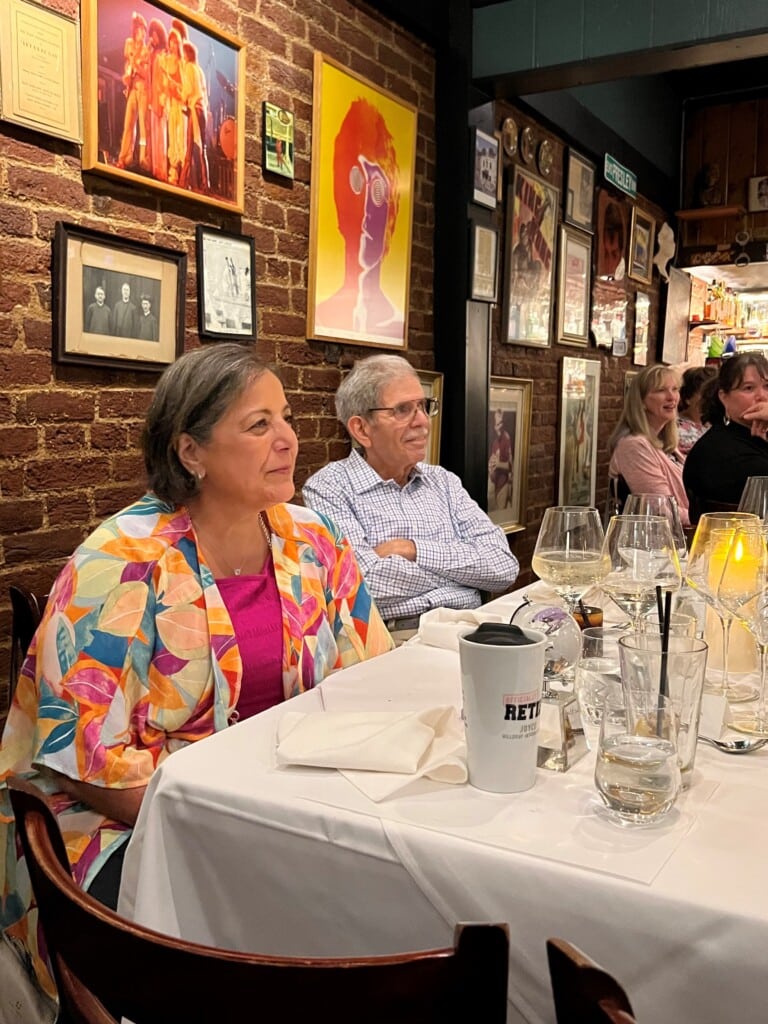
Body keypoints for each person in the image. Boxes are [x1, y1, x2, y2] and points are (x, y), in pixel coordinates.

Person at [0, 344, 393, 1000]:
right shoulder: (121, 563)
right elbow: (84, 766)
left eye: (287, 418)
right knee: (298, 938)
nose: (289, 440)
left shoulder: (313, 540)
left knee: (382, 902)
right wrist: (238, 831)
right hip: (115, 824)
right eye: (259, 424)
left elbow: (369, 680)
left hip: (276, 806)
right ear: (191, 452)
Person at [303, 354, 519, 638]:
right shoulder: (330, 488)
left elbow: (503, 567)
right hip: (394, 640)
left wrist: (411, 550)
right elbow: (363, 585)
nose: (422, 422)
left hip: (472, 626)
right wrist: (465, 577)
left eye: (423, 406)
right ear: (361, 429)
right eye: (403, 410)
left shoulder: (442, 481)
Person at [314, 99, 404, 342]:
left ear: (392, 207)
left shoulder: (398, 324)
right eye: (356, 183)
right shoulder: (321, 316)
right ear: (337, 197)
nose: (366, 209)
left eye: (377, 190)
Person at [683, 353, 768, 518]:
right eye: (749, 388)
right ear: (724, 397)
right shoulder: (721, 450)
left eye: (767, 386)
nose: (762, 396)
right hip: (732, 541)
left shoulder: (751, 439)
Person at [608, 363, 690, 526]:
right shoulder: (633, 446)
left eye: (675, 389)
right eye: (661, 390)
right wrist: (705, 519)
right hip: (645, 546)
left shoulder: (663, 442)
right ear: (642, 401)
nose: (672, 397)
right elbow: (662, 510)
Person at [116, 11, 150, 171]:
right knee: (128, 124)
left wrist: (137, 65)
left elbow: (146, 74)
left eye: (144, 30)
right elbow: (127, 65)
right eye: (140, 29)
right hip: (131, 89)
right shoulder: (129, 44)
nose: (142, 33)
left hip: (142, 90)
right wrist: (126, 77)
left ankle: (143, 159)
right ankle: (124, 157)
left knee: (143, 125)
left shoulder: (146, 50)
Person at [179, 40, 209, 192]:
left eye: (184, 53)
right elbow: (204, 92)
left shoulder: (190, 68)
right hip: (201, 109)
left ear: (188, 54)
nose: (182, 56)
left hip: (194, 109)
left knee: (190, 146)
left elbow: (190, 90)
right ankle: (205, 184)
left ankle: (183, 182)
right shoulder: (200, 70)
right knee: (201, 147)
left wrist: (182, 97)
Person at [677, 365, 717, 455]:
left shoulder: (715, 423)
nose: (712, 399)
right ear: (688, 397)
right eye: (706, 394)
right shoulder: (675, 428)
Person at [487, 409, 513, 511]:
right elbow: (493, 459)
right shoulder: (494, 441)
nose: (499, 426)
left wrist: (498, 464)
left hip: (503, 482)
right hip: (494, 480)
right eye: (497, 423)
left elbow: (510, 466)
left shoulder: (506, 438)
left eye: (501, 422)